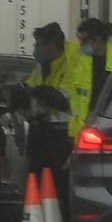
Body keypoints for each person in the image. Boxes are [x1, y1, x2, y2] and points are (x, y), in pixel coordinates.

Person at [21, 21, 75, 175]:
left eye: (38, 44)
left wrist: (38, 92)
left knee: (58, 179)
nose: (35, 48)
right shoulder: (43, 65)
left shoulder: (71, 64)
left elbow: (63, 100)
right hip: (42, 130)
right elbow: (31, 87)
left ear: (51, 46)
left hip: (63, 132)